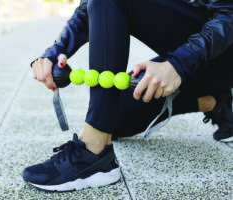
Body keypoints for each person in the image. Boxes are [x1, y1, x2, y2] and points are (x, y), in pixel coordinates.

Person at [23, 0, 233, 192]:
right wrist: (53, 53)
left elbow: (229, 14)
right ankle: (212, 99)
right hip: (198, 51)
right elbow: (89, 6)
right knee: (113, 120)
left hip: (224, 51)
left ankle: (94, 153)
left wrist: (177, 65)